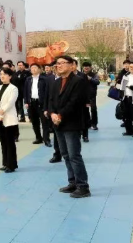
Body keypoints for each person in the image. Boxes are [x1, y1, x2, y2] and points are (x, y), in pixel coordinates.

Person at [49, 55, 90, 198]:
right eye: (57, 63)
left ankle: (83, 186)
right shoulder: (56, 82)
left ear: (71, 65)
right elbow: (51, 100)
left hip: (71, 123)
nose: (59, 65)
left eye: (62, 63)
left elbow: (75, 102)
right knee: (65, 155)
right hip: (58, 124)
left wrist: (60, 116)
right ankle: (72, 182)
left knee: (74, 155)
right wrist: (52, 114)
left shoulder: (78, 81)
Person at [0, 68, 19, 173]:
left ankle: (11, 165)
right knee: (3, 141)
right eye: (1, 74)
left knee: (10, 142)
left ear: (10, 76)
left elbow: (11, 102)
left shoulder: (13, 88)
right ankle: (5, 163)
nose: (2, 76)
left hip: (9, 118)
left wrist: (3, 110)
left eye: (4, 74)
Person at [24, 63, 51, 146]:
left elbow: (48, 92)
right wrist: (26, 102)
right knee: (34, 122)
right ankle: (38, 138)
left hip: (41, 103)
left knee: (44, 122)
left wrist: (47, 105)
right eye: (32, 68)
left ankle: (46, 139)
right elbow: (25, 91)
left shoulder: (44, 79)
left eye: (35, 68)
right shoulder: (28, 79)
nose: (33, 69)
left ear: (39, 69)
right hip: (32, 103)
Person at [82, 62, 100, 132]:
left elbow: (97, 82)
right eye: (85, 66)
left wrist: (90, 79)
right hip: (83, 95)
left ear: (90, 67)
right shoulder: (81, 75)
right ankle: (87, 123)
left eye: (87, 66)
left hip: (92, 95)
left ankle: (94, 124)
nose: (86, 68)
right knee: (85, 110)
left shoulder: (94, 75)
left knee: (93, 109)